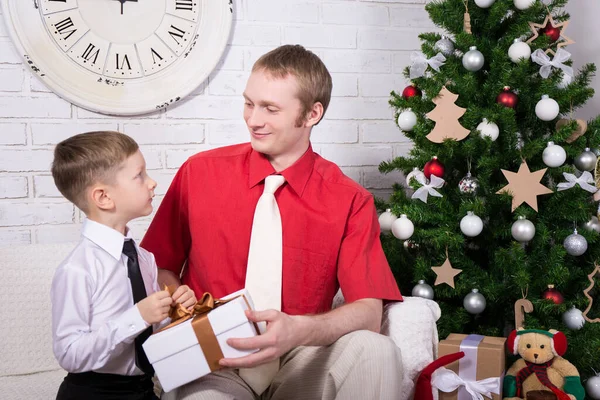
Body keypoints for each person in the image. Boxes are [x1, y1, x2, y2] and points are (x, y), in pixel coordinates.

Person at [141, 45, 404, 400]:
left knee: (377, 351)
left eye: (270, 109)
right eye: (249, 103)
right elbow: (158, 266)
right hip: (218, 360)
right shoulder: (199, 172)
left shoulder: (350, 199)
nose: (253, 119)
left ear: (312, 114)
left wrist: (297, 331)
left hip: (299, 356)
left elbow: (369, 314)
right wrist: (177, 303)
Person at [50, 131, 197, 400]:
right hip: (93, 394)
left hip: (142, 390)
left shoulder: (144, 258)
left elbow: (149, 333)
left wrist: (174, 313)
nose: (152, 183)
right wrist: (137, 316)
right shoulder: (78, 269)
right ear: (103, 197)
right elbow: (69, 354)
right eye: (139, 175)